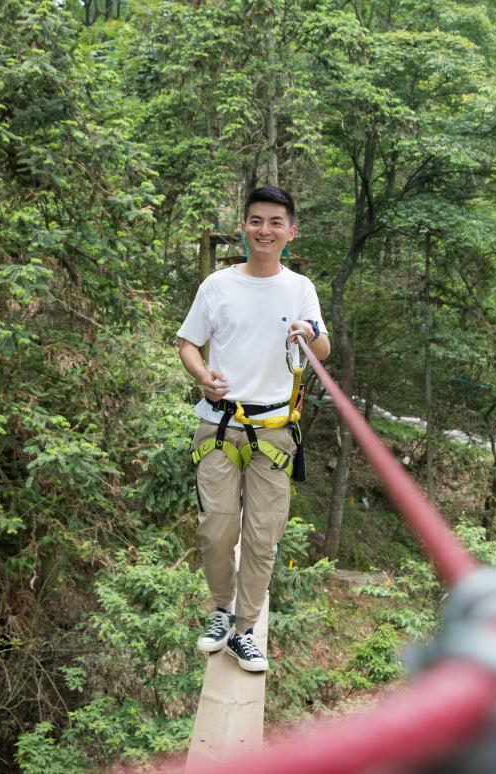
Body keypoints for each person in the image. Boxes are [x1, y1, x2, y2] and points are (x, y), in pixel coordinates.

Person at [177, 185, 330, 672]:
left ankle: (245, 629)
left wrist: (308, 333)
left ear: (291, 231)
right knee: (216, 530)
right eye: (256, 221)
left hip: (275, 430)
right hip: (220, 425)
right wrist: (203, 377)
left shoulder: (300, 289)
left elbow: (322, 351)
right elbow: (187, 343)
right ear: (244, 226)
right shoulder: (217, 286)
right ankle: (222, 610)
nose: (265, 230)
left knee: (263, 536)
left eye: (275, 222)